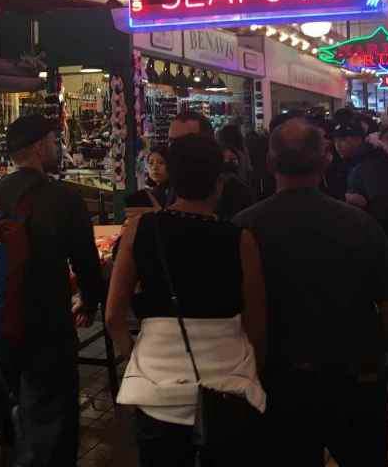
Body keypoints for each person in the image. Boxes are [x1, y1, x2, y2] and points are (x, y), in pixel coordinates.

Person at [234, 118, 388, 466]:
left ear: (269, 164)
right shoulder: (360, 225)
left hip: (277, 384)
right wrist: (380, 359)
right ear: (324, 160)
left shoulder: (244, 227)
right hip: (354, 380)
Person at [106, 134, 267, 467]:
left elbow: (113, 317)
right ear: (218, 182)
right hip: (226, 382)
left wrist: (136, 359)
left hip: (157, 388)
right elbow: (256, 323)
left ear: (172, 179)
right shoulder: (240, 240)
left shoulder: (140, 230)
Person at [0, 114, 103, 467]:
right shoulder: (63, 198)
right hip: (49, 326)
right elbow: (86, 261)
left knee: (4, 424)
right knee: (52, 422)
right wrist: (90, 300)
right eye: (52, 140)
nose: (57, 146)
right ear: (37, 147)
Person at [168, 113, 252, 221]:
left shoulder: (234, 190)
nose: (175, 149)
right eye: (171, 141)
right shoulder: (173, 180)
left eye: (185, 142)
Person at [332, 121, 388, 234]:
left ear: (358, 140)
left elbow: (383, 208)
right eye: (335, 141)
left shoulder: (371, 163)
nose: (337, 146)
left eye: (343, 140)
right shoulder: (354, 160)